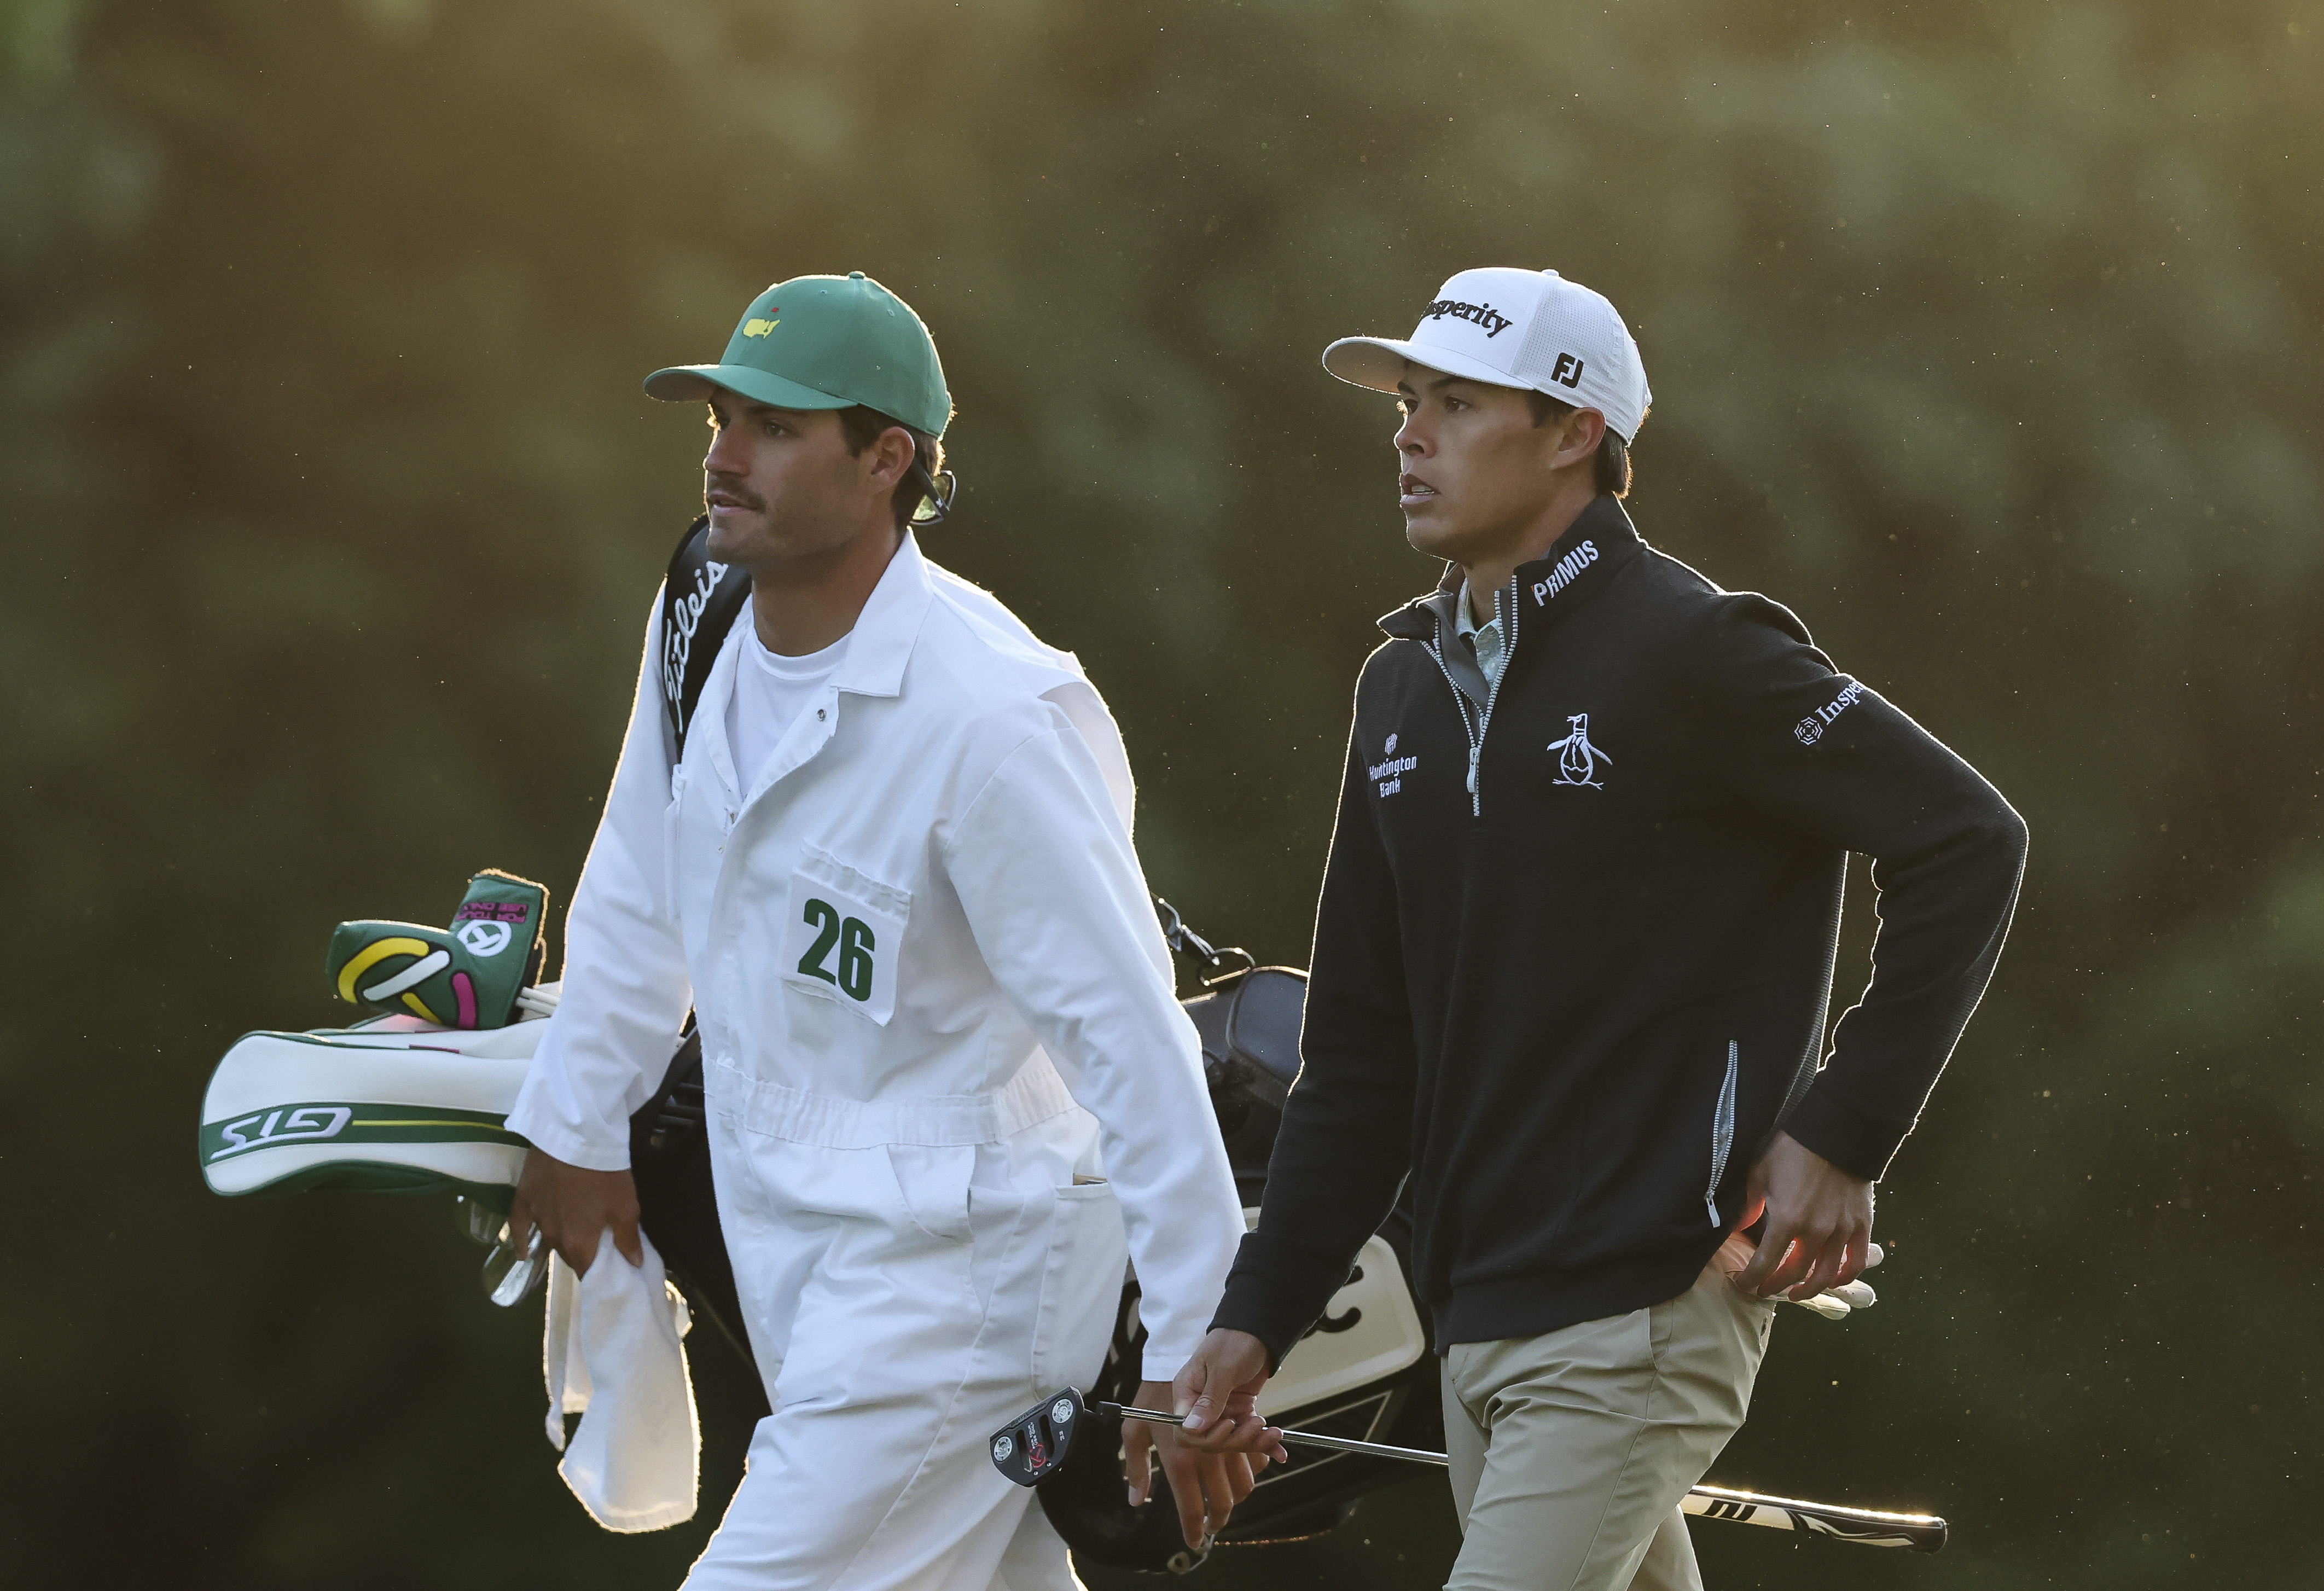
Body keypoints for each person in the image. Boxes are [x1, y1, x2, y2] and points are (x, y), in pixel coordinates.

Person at [1171, 266, 2029, 1590]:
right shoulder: (1399, 688)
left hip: (1640, 1310)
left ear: (1576, 431)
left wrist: (1841, 1130)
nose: (1409, 433)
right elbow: (1361, 1058)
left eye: (1455, 403)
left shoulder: (1693, 647)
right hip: (1478, 1317)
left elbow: (1967, 837)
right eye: (1409, 402)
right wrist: (1256, 1321)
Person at [503, 271, 1255, 1588]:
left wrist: (1197, 1350)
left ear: (887, 460)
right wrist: (576, 1121)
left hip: (967, 1292)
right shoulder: (701, 603)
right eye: (722, 415)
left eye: (778, 427)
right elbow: (637, 871)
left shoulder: (995, 719)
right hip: (804, 1254)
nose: (727, 454)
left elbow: (1135, 1044)